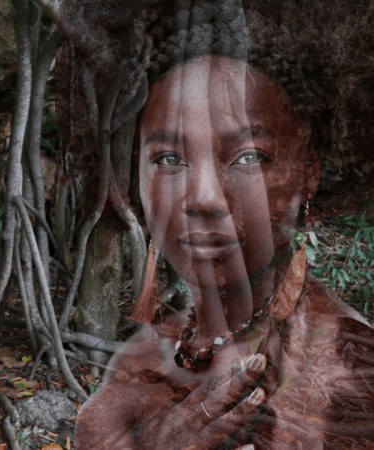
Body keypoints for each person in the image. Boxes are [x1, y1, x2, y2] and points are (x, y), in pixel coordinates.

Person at [74, 54, 374, 449]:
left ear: (307, 171)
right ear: (140, 184)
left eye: (248, 157)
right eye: (168, 159)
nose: (204, 197)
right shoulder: (141, 357)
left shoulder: (350, 370)